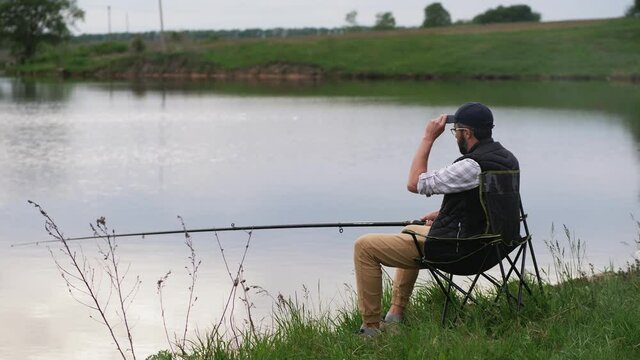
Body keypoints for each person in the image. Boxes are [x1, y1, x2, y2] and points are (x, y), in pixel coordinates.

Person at [353, 102, 519, 336]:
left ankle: (370, 329)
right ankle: (395, 314)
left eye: (456, 132)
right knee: (410, 229)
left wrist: (428, 138)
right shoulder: (506, 159)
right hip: (496, 246)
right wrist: (444, 215)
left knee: (364, 247)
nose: (455, 137)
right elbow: (490, 203)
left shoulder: (472, 165)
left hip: (463, 252)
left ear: (466, 133)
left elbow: (414, 183)